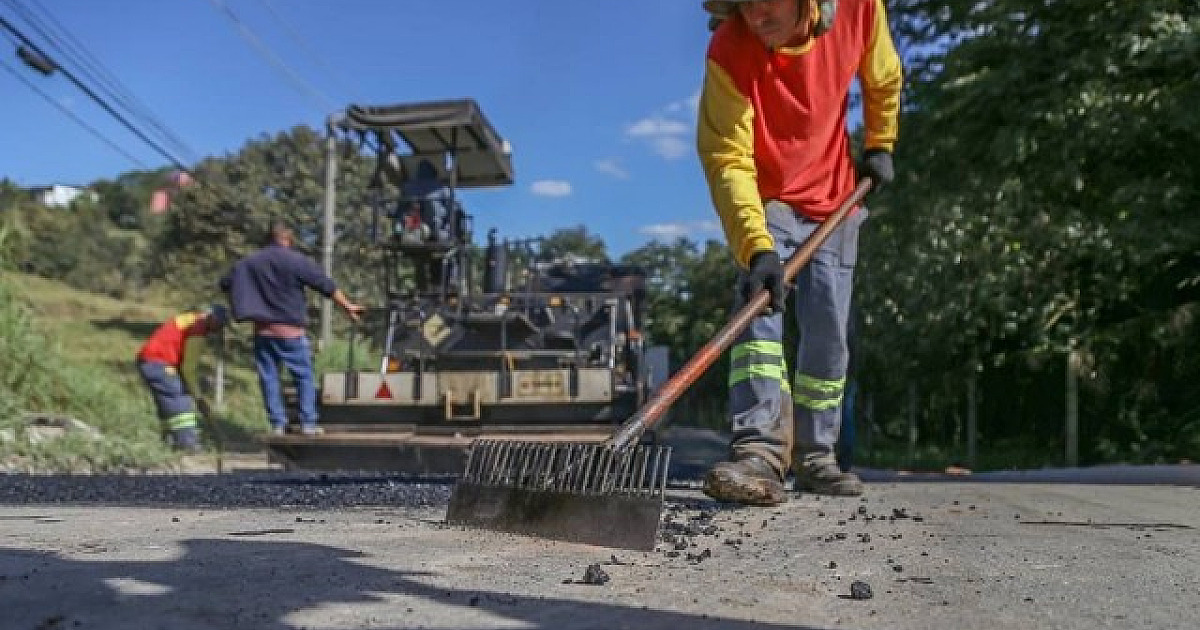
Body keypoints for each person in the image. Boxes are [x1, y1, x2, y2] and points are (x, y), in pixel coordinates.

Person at [696, 0, 902, 503]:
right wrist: (756, 247)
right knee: (756, 317)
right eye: (747, 6)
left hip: (835, 201)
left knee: (828, 331)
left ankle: (816, 456)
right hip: (765, 200)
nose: (758, 16)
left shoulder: (859, 10)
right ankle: (759, 453)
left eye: (772, 4)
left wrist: (881, 141)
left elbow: (884, 76)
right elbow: (726, 155)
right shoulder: (730, 48)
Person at [220, 222, 364, 436]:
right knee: (303, 376)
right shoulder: (295, 261)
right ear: (288, 240)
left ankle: (278, 424)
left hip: (262, 331)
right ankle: (308, 424)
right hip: (290, 332)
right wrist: (348, 306)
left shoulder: (250, 262)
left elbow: (225, 283)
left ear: (269, 239)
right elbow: (325, 285)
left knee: (269, 377)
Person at [136, 304, 229, 452]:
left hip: (151, 361)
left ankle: (168, 440)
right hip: (158, 362)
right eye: (219, 324)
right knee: (180, 399)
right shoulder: (198, 329)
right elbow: (189, 369)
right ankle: (187, 443)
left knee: (167, 404)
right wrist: (198, 397)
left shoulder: (190, 318)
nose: (217, 330)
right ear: (212, 318)